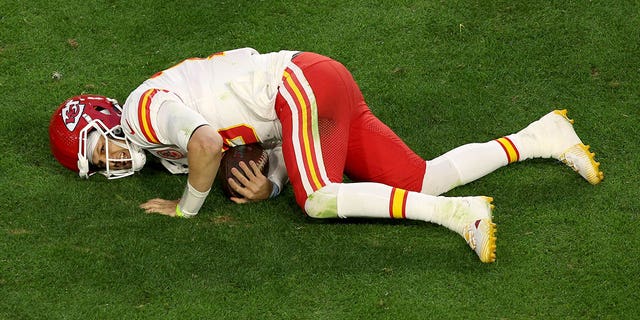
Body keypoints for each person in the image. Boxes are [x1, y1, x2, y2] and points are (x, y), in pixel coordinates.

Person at [49, 48, 604, 263]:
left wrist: (185, 208)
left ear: (104, 117)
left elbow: (209, 144)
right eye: (95, 165)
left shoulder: (144, 111)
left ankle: (461, 217)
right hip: (313, 87)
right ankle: (541, 137)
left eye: (98, 147)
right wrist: (273, 181)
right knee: (421, 177)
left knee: (317, 200)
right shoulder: (159, 143)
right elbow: (265, 140)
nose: (107, 162)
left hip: (299, 88)